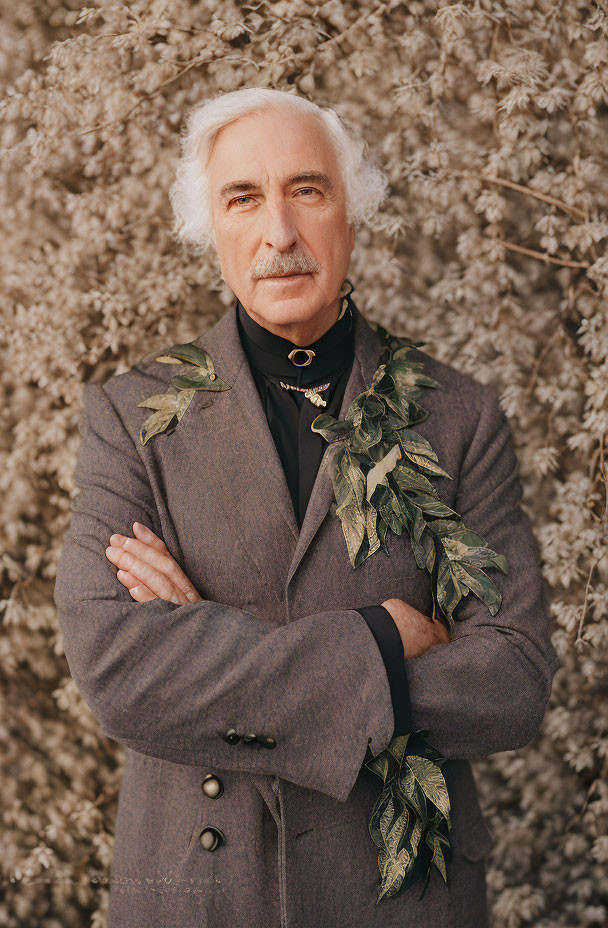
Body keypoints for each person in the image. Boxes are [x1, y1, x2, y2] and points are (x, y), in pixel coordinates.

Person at [54, 87, 561, 928]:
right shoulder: (130, 418)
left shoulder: (458, 416)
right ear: (209, 230)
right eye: (243, 198)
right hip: (201, 891)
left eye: (308, 191)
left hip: (403, 899)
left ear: (351, 215)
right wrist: (378, 640)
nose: (279, 233)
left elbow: (512, 679)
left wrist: (204, 639)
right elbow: (117, 670)